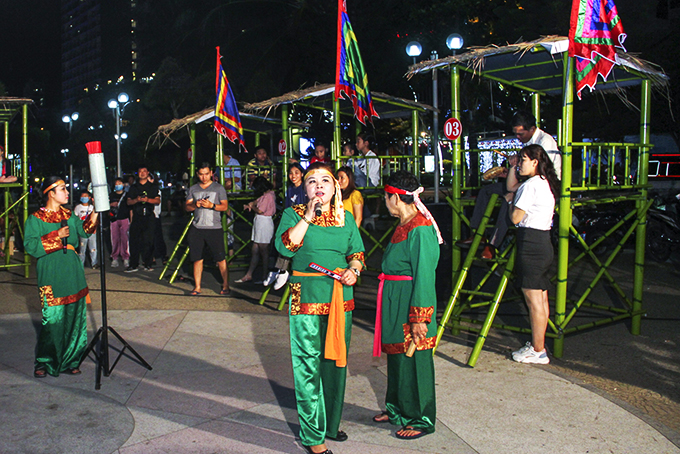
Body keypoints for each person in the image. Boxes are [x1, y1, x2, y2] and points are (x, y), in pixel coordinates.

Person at [274, 162, 364, 454]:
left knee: (336, 363)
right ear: (305, 188)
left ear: (336, 186)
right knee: (307, 366)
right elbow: (285, 248)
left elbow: (357, 253)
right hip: (307, 297)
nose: (319, 186)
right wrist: (308, 218)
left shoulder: (346, 218)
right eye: (312, 181)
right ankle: (313, 438)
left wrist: (354, 269)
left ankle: (329, 424)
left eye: (326, 180)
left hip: (341, 298)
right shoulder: (293, 214)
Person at [372, 170, 442, 440]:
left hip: (411, 301)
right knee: (398, 359)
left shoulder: (421, 229)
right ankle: (398, 408)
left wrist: (420, 317)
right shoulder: (405, 223)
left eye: (386, 197)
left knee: (416, 363)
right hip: (394, 298)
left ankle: (421, 418)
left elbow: (425, 275)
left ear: (395, 198)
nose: (385, 202)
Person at [459, 111, 561, 259]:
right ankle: (476, 233)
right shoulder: (528, 141)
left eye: (520, 134)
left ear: (532, 129)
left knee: (510, 200)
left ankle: (492, 245)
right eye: (516, 134)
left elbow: (542, 171)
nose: (518, 138)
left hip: (545, 185)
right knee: (486, 191)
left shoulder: (545, 141)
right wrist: (512, 172)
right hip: (528, 182)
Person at [24, 177, 98, 377]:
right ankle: (44, 361)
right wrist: (56, 236)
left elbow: (84, 230)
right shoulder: (35, 218)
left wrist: (96, 211)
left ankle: (71, 360)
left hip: (72, 272)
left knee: (75, 320)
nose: (67, 193)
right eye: (63, 189)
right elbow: (30, 246)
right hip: (51, 274)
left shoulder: (70, 215)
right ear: (51, 192)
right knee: (52, 321)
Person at [509, 144, 560, 365]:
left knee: (533, 301)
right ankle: (538, 344)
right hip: (543, 241)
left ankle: (538, 350)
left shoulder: (530, 186)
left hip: (531, 242)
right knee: (541, 298)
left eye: (523, 160)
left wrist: (510, 202)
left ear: (535, 162)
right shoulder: (544, 183)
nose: (520, 163)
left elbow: (515, 218)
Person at [185, 163, 231, 296]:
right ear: (197, 174)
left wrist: (212, 205)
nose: (204, 177)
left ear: (211, 173)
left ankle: (226, 285)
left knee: (220, 258)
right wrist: (196, 204)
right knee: (197, 258)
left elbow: (224, 207)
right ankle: (197, 287)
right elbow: (187, 207)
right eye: (201, 174)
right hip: (197, 227)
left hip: (214, 228)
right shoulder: (193, 189)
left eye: (206, 174)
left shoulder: (218, 188)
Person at [264, 164, 308, 289]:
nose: (293, 176)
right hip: (290, 221)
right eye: (291, 173)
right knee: (278, 241)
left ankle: (283, 271)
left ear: (302, 174)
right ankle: (275, 269)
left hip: (301, 223)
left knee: (289, 243)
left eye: (296, 173)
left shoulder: (305, 188)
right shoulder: (289, 189)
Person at [236, 177, 276, 283]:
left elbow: (260, 210)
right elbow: (256, 202)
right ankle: (250, 274)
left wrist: (252, 207)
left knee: (263, 250)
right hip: (260, 222)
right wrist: (252, 204)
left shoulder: (268, 196)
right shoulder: (268, 194)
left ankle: (264, 275)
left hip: (264, 223)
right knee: (255, 250)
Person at [125, 166, 160, 272]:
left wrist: (148, 200)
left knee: (148, 241)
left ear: (148, 173)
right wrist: (137, 200)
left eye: (144, 171)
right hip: (137, 215)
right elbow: (128, 202)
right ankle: (133, 264)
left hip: (149, 215)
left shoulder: (153, 187)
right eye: (140, 171)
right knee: (134, 240)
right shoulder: (134, 187)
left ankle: (148, 263)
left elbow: (157, 201)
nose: (142, 173)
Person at [109, 178, 130, 268]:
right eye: (116, 183)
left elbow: (130, 208)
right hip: (114, 219)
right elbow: (106, 206)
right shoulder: (111, 195)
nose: (118, 185)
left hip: (124, 218)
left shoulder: (126, 195)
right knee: (114, 239)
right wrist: (110, 205)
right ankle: (115, 258)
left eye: (120, 183)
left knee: (125, 238)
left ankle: (125, 257)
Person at [73, 191, 98, 269]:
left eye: (86, 196)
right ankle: (81, 264)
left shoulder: (91, 208)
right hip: (82, 230)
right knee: (82, 249)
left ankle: (94, 263)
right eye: (82, 196)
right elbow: (75, 219)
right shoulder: (78, 208)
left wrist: (95, 228)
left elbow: (96, 219)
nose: (84, 198)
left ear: (89, 198)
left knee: (93, 248)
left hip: (92, 231)